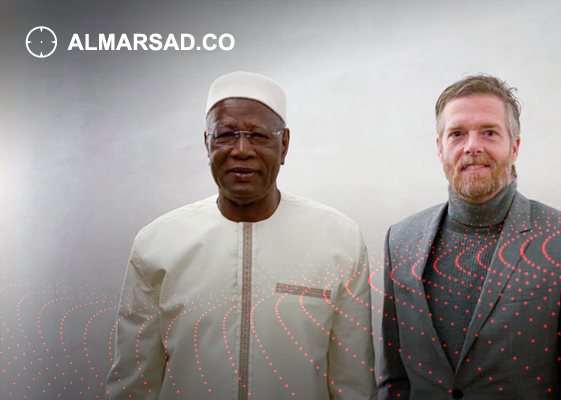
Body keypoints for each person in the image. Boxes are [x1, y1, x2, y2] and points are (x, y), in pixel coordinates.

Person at [106, 71, 377, 400]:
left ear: (284, 145)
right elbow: (133, 385)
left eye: (259, 136)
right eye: (225, 134)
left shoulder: (338, 240)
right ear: (207, 143)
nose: (242, 150)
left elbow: (353, 385)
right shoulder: (158, 245)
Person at [378, 74, 561, 399]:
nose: (472, 146)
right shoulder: (400, 241)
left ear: (514, 146)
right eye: (457, 134)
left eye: (489, 132)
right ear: (440, 148)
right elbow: (394, 381)